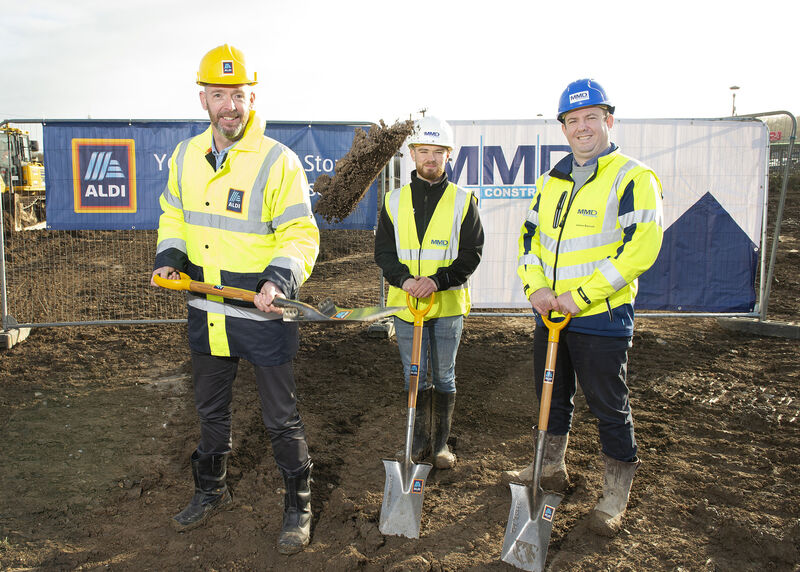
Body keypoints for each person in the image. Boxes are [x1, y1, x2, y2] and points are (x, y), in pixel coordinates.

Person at [150, 44, 319, 554]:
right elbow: (173, 214)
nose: (230, 106)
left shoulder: (278, 160)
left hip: (262, 312)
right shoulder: (185, 155)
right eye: (220, 95)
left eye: (239, 96)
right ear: (203, 98)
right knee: (211, 412)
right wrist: (170, 257)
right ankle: (211, 491)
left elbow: (300, 234)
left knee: (280, 418)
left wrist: (277, 281)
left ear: (252, 98)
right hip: (207, 311)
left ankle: (298, 507)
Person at [509, 78, 664, 536]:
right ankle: (550, 467)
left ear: (608, 120)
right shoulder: (550, 182)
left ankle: (614, 494)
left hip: (601, 317)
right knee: (551, 395)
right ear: (563, 128)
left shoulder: (633, 177)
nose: (582, 127)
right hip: (551, 315)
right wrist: (536, 290)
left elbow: (640, 249)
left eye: (591, 117)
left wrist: (579, 297)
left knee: (608, 406)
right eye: (573, 120)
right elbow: (529, 241)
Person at [374, 115, 484, 470]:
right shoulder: (393, 201)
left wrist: (437, 281)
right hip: (407, 305)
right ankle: (418, 441)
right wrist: (405, 280)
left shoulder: (463, 201)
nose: (431, 158)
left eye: (438, 152)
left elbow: (472, 253)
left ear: (449, 155)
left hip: (447, 304)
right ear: (412, 153)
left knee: (445, 376)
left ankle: (440, 446)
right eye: (424, 151)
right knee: (415, 375)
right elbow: (383, 253)